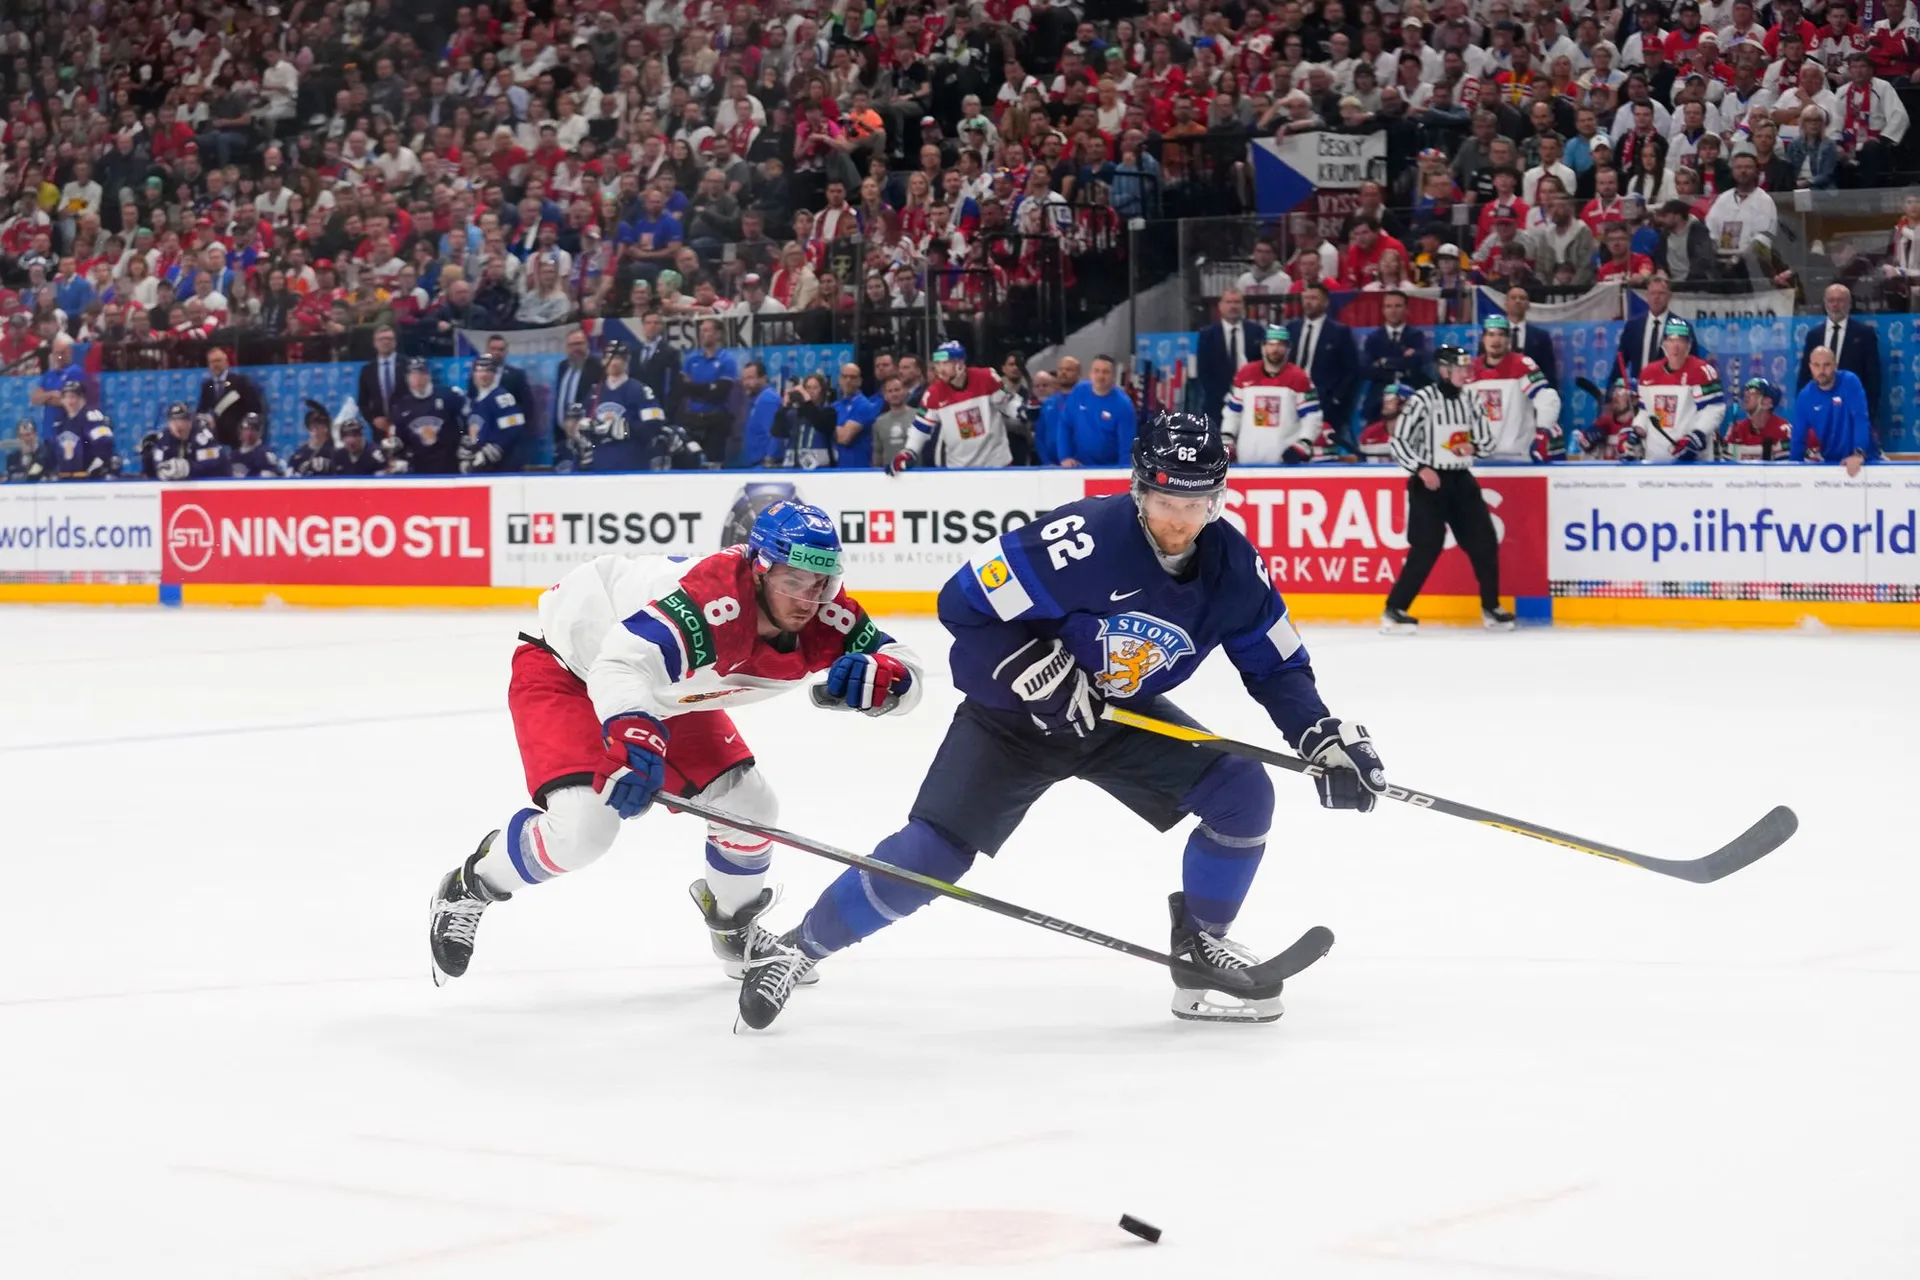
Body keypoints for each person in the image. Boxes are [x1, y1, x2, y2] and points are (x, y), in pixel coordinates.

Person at [734, 414, 1388, 1030]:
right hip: (1012, 719)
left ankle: (1201, 953)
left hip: (1117, 713)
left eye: (1196, 505)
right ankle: (797, 951)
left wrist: (1320, 735)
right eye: (1166, 503)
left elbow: (1274, 666)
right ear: (1139, 489)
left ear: (1217, 498)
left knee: (1243, 793)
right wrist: (1030, 665)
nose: (1179, 522)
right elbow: (962, 600)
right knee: (932, 853)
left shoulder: (1235, 571)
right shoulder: (1083, 540)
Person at [426, 500, 927, 988]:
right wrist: (633, 731)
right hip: (572, 667)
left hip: (669, 690)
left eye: (820, 583)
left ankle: (734, 930)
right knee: (584, 830)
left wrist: (892, 681)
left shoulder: (826, 616)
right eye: (793, 580)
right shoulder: (711, 605)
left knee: (750, 806)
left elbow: (903, 662)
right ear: (759, 570)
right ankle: (470, 885)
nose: (806, 599)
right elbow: (620, 663)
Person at [1381, 345, 1508, 632]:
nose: (1466, 373)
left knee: (1484, 542)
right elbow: (1399, 441)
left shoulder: (1472, 399)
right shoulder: (1423, 400)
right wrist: (1421, 468)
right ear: (1444, 370)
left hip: (1460, 479)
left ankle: (1491, 606)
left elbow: (1488, 441)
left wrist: (1473, 446)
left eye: (1467, 368)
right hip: (1429, 481)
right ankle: (1394, 609)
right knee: (1426, 546)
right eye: (1460, 368)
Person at [888, 341, 1015, 472]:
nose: (940, 369)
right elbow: (921, 428)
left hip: (997, 465)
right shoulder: (933, 393)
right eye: (937, 364)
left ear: (960, 363)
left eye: (946, 363)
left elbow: (1008, 404)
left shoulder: (987, 377)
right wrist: (909, 451)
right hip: (958, 469)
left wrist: (1023, 410)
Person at [1627, 318, 1726, 463]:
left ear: (1689, 345)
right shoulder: (1648, 373)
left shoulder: (1702, 371)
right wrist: (1637, 430)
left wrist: (1697, 435)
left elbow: (1714, 408)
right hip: (1655, 460)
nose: (1676, 346)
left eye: (1681, 341)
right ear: (1663, 345)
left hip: (1693, 463)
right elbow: (1645, 411)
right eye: (1671, 340)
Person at [1221, 325, 1325, 465]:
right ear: (1263, 347)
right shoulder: (1244, 374)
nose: (1275, 349)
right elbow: (1233, 412)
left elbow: (1312, 417)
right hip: (1246, 458)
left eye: (1280, 345)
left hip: (1284, 462)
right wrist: (1227, 439)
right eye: (1270, 344)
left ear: (1288, 348)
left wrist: (1302, 445)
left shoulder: (1299, 378)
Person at [1469, 315, 1562, 461]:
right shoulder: (1471, 370)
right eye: (1491, 334)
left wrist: (1542, 431)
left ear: (1508, 339)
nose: (1496, 340)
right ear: (1483, 338)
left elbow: (1548, 398)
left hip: (1517, 457)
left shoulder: (1522, 365)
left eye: (1501, 334)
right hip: (1479, 458)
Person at [1797, 284, 1881, 424]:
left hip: (1852, 409)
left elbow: (1873, 377)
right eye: (1831, 300)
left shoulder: (1864, 334)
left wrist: (1869, 413)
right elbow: (1805, 374)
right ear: (1825, 304)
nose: (1835, 304)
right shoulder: (1814, 335)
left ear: (1849, 304)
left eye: (1840, 300)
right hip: (1820, 409)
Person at [1291, 284, 1361, 453]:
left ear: (1326, 302)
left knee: (1326, 449)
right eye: (1306, 298)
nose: (1308, 302)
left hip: (1326, 403)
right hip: (1293, 401)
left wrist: (1337, 398)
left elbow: (1351, 370)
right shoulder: (1291, 329)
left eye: (1314, 298)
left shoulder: (1340, 332)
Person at [582, 342, 671, 472]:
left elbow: (655, 424)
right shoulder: (595, 392)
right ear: (603, 360)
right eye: (609, 357)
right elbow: (586, 424)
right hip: (600, 464)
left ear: (626, 361)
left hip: (631, 463)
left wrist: (626, 429)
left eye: (618, 358)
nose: (613, 362)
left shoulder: (640, 390)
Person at [1791, 346, 1877, 474]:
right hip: (1831, 463)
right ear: (1810, 366)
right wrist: (1793, 468)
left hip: (1865, 461)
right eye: (1816, 365)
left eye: (1826, 365)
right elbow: (1798, 438)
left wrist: (1858, 454)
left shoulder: (1850, 382)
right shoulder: (1805, 396)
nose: (1821, 370)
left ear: (1835, 365)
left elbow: (1860, 419)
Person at [1050, 354, 1138, 467]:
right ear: (1090, 374)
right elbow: (1065, 423)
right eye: (1096, 371)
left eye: (1105, 372)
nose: (1100, 376)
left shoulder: (1124, 406)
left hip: (1109, 468)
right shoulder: (1079, 392)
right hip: (1079, 466)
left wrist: (1123, 473)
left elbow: (1127, 445)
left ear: (1114, 376)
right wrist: (1065, 456)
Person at [1195, 290, 1268, 425]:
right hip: (1217, 404)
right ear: (1220, 306)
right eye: (1229, 302)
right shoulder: (1207, 335)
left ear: (1243, 306)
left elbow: (1264, 367)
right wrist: (1226, 396)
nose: (1233, 306)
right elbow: (1204, 372)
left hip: (1252, 401)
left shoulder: (1257, 332)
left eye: (1237, 302)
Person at [1359, 291, 1433, 423]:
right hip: (1378, 400)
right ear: (1383, 310)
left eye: (1397, 306)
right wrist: (1401, 365)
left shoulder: (1416, 335)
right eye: (1388, 306)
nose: (1393, 311)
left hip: (1410, 396)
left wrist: (1384, 362)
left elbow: (1415, 364)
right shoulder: (1373, 338)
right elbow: (1367, 370)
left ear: (1406, 309)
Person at [391, 358, 469, 476]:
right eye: (413, 374)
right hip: (420, 467)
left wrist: (465, 445)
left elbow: (467, 421)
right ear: (407, 378)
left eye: (422, 373)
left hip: (449, 465)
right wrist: (400, 458)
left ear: (429, 376)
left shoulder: (448, 396)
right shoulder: (402, 406)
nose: (418, 378)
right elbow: (400, 439)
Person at [460, 354, 527, 474]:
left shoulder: (502, 398)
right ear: (474, 374)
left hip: (503, 467)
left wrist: (487, 453)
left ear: (494, 374)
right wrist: (468, 452)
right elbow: (473, 431)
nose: (483, 375)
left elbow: (514, 429)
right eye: (479, 370)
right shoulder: (474, 401)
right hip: (483, 467)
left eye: (488, 370)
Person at [194, 347, 265, 449]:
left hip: (239, 439)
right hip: (216, 440)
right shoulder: (207, 385)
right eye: (212, 362)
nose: (215, 365)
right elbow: (201, 410)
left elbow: (254, 408)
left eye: (218, 360)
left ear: (226, 362)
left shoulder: (241, 382)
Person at [48, 383, 118, 480]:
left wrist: (94, 469)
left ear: (82, 398)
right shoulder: (59, 422)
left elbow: (105, 445)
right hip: (65, 479)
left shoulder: (92, 416)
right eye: (66, 397)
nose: (70, 401)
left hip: (88, 479)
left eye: (73, 397)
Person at [552, 329, 605, 454]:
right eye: (572, 345)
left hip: (586, 434)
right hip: (562, 435)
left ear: (587, 345)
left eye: (580, 343)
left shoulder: (598, 367)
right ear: (567, 347)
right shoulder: (562, 366)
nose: (576, 348)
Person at [145, 407, 230, 481]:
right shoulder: (164, 438)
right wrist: (162, 470)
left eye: (182, 420)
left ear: (190, 421)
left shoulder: (202, 436)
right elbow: (158, 462)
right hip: (178, 488)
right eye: (173, 421)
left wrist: (188, 467)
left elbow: (211, 463)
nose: (178, 425)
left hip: (212, 485)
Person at [1727, 378, 1796, 461]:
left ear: (1768, 402)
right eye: (1746, 390)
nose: (1746, 394)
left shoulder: (1783, 430)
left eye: (1753, 391)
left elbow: (1786, 470)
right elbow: (1725, 468)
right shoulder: (1736, 430)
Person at [357, 324, 404, 438]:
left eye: (389, 339)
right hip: (380, 429)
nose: (385, 342)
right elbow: (362, 402)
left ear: (395, 342)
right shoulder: (367, 370)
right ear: (375, 343)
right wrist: (373, 420)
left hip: (405, 424)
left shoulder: (407, 365)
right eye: (381, 339)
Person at [829, 361, 879, 470]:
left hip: (858, 469)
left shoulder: (865, 405)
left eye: (852, 377)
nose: (848, 380)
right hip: (836, 469)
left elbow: (844, 438)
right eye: (845, 376)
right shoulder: (834, 406)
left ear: (859, 381)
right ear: (839, 380)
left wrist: (828, 427)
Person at [736, 361, 785, 469]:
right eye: (744, 379)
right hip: (755, 464)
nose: (746, 383)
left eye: (750, 378)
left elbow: (774, 433)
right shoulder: (754, 400)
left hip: (764, 466)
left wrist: (770, 459)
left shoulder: (767, 400)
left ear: (763, 378)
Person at [631, 311, 681, 408]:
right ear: (643, 326)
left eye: (656, 323)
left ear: (662, 326)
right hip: (636, 403)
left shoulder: (670, 352)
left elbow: (674, 384)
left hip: (659, 403)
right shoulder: (635, 351)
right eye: (648, 323)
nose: (652, 326)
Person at [288, 405, 338, 477]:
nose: (315, 429)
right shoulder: (298, 456)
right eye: (313, 426)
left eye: (320, 425)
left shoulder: (335, 454)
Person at [230, 413, 284, 477]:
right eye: (246, 429)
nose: (249, 433)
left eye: (253, 429)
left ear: (259, 432)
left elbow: (272, 479)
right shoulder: (233, 455)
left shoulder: (265, 454)